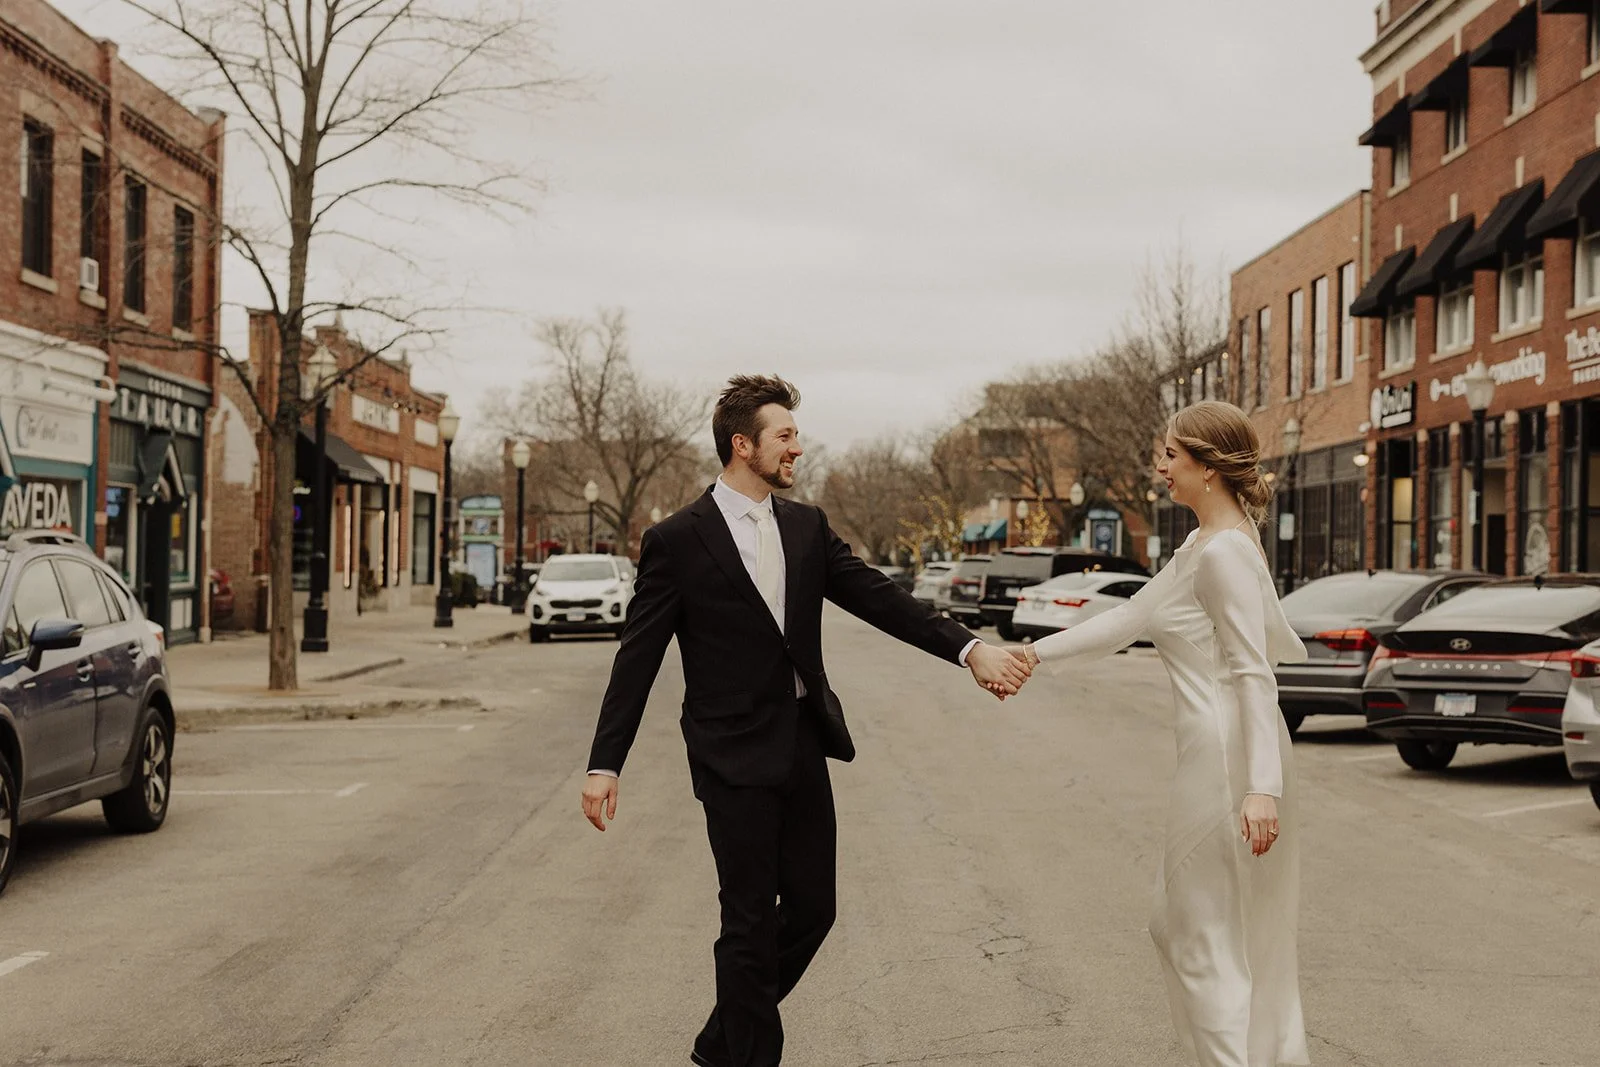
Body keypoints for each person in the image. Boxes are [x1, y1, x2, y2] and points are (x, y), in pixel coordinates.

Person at [581, 374, 1032, 1067]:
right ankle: (752, 1053)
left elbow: (881, 597)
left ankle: (723, 1037)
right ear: (742, 445)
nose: (799, 446)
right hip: (729, 755)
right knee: (748, 919)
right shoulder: (677, 540)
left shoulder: (805, 525)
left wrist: (969, 650)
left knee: (814, 909)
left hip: (801, 743)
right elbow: (637, 658)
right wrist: (605, 763)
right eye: (785, 435)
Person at [1012, 400, 1309, 1067]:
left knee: (1199, 936)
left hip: (1231, 757)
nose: (1159, 468)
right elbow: (1127, 621)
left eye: (1170, 456)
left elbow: (1253, 673)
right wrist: (1032, 655)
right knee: (1186, 928)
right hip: (1216, 750)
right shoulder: (1203, 544)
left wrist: (1261, 787)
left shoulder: (1225, 553)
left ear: (1207, 466)